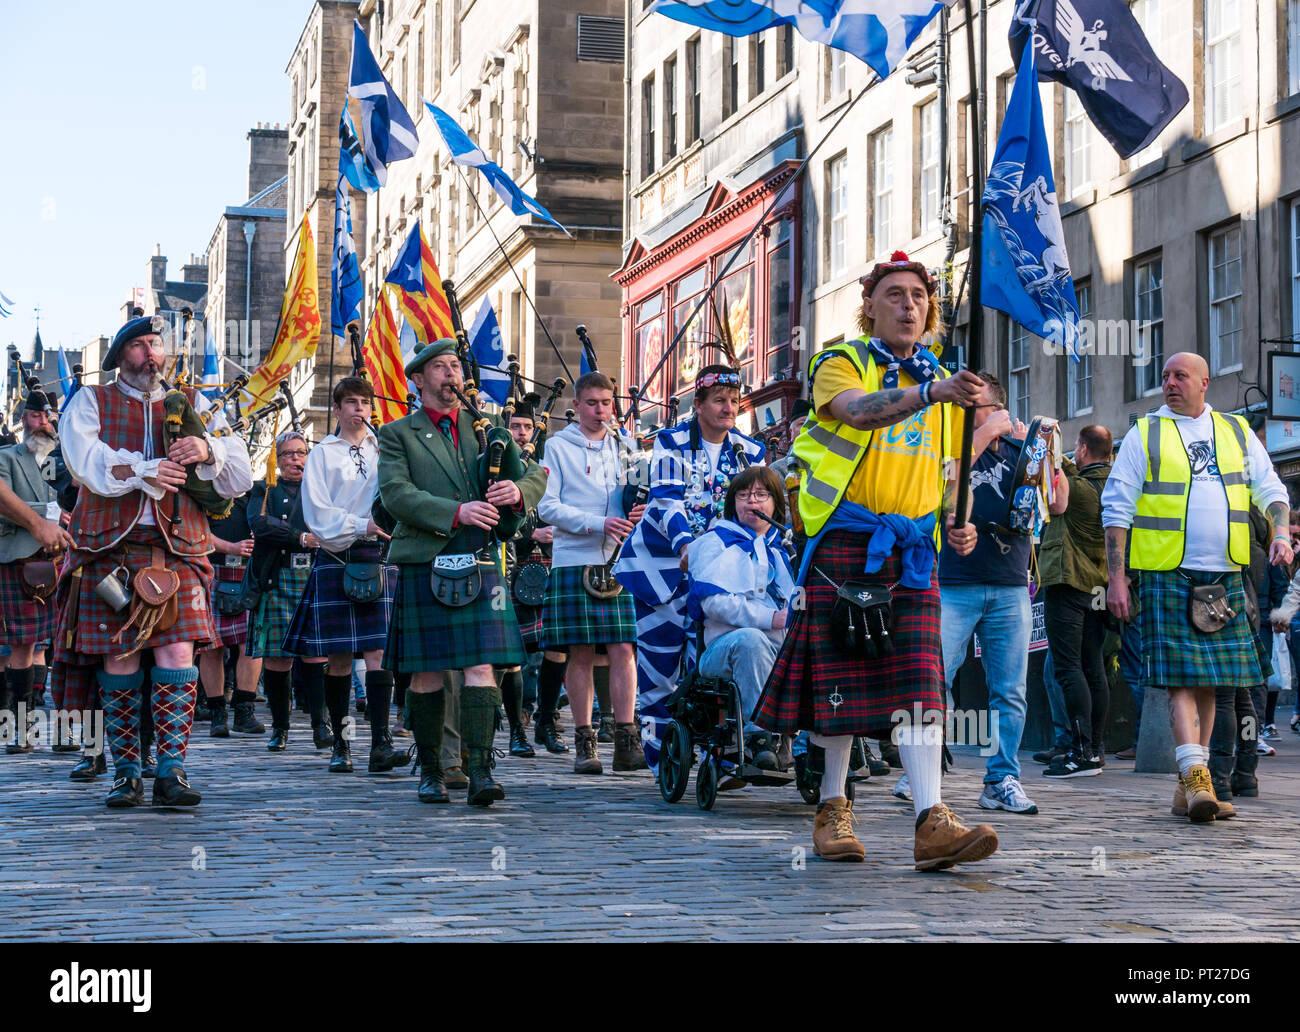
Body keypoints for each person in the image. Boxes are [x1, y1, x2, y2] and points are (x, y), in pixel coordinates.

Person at [754, 250, 997, 869]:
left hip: (913, 551)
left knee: (921, 683)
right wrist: (933, 390)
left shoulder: (943, 383)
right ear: (869, 307)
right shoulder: (840, 363)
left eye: (918, 295)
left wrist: (954, 522)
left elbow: (942, 474)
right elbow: (858, 414)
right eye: (893, 294)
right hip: (845, 541)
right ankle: (833, 808)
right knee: (838, 683)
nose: (908, 305)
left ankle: (930, 819)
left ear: (931, 309)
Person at [53, 315, 253, 808]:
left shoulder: (193, 403)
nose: (151, 354)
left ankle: (171, 771)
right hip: (109, 549)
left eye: (155, 345)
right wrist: (145, 470)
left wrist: (207, 448)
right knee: (118, 656)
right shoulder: (91, 401)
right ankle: (125, 772)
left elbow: (241, 472)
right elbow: (84, 461)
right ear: (120, 357)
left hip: (177, 549)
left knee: (178, 656)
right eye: (139, 345)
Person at [1104, 352, 1291, 823]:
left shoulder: (1234, 431)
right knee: (1180, 681)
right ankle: (1195, 777)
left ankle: (1192, 780)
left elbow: (1271, 490)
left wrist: (1283, 533)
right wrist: (1117, 578)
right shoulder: (1145, 433)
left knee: (1212, 682)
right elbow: (1117, 509)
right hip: (1168, 573)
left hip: (1226, 574)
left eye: (1179, 376)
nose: (1169, 383)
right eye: (1164, 376)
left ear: (1205, 382)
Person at [378, 339, 548, 806]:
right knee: (427, 671)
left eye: (455, 365)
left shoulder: (487, 428)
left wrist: (517, 491)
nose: (451, 373)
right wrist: (457, 512)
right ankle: (431, 770)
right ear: (418, 379)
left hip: (478, 560)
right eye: (440, 367)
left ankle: (479, 770)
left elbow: (537, 475)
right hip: (425, 559)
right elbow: (395, 494)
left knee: (481, 666)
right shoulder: (398, 434)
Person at [614, 364, 765, 771]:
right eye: (718, 400)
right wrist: (685, 544)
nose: (728, 408)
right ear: (697, 405)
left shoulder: (749, 452)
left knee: (709, 666)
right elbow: (666, 499)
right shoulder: (671, 442)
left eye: (734, 401)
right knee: (660, 669)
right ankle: (663, 760)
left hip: (717, 578)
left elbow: (753, 509)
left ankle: (720, 755)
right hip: (660, 572)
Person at [281, 378, 402, 775]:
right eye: (351, 402)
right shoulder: (322, 455)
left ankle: (380, 744)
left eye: (365, 402)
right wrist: (361, 524)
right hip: (338, 555)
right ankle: (342, 743)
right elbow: (318, 515)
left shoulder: (386, 449)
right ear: (337, 409)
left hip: (379, 555)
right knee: (338, 659)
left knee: (379, 653)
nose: (359, 409)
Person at [936, 373, 1038, 813]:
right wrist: (978, 436)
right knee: (934, 677)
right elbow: (940, 486)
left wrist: (1047, 454)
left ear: (996, 409)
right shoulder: (948, 453)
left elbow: (1059, 503)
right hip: (954, 582)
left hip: (1010, 584)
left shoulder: (1019, 454)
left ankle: (1001, 778)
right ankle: (921, 767)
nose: (962, 418)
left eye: (972, 411)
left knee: (1009, 690)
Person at [537, 371, 646, 774]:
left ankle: (625, 738)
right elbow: (547, 507)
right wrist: (596, 523)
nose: (601, 410)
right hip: (574, 557)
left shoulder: (627, 446)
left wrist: (639, 509)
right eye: (592, 403)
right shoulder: (557, 448)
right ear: (577, 406)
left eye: (606, 403)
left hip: (619, 559)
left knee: (623, 648)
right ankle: (584, 741)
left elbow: (639, 493)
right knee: (580, 651)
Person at [687, 465, 795, 768]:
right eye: (744, 495)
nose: (753, 502)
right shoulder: (714, 542)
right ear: (732, 502)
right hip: (723, 651)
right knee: (751, 639)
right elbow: (714, 604)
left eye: (762, 495)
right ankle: (759, 736)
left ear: (775, 503)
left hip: (781, 650)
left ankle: (820, 743)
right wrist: (771, 618)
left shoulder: (786, 549)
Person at [245, 430, 329, 752]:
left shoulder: (321, 489)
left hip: (313, 576)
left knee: (315, 655)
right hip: (277, 578)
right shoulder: (264, 489)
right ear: (277, 460)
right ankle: (280, 729)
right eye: (288, 454)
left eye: (301, 452)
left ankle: (321, 726)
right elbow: (259, 524)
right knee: (279, 660)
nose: (296, 459)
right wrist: (301, 537)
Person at [1040, 423, 1113, 778]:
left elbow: (1058, 483)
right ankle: (1095, 748)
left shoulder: (1081, 488)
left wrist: (1052, 450)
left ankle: (1081, 752)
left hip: (1069, 583)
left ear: (1083, 448)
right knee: (1094, 668)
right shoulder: (1116, 486)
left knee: (1068, 669)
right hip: (1101, 586)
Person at [0, 390, 66, 754]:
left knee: (64, 647)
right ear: (24, 419)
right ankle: (21, 729)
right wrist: (49, 513)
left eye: (47, 417)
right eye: (34, 416)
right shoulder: (7, 458)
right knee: (22, 647)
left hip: (68, 562)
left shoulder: (69, 459)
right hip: (22, 562)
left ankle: (69, 730)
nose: (41, 423)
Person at [198, 484, 264, 738]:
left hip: (247, 575)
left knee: (251, 645)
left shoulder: (257, 496)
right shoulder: (202, 493)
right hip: (211, 571)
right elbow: (195, 531)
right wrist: (231, 547)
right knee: (211, 646)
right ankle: (217, 713)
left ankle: (244, 711)